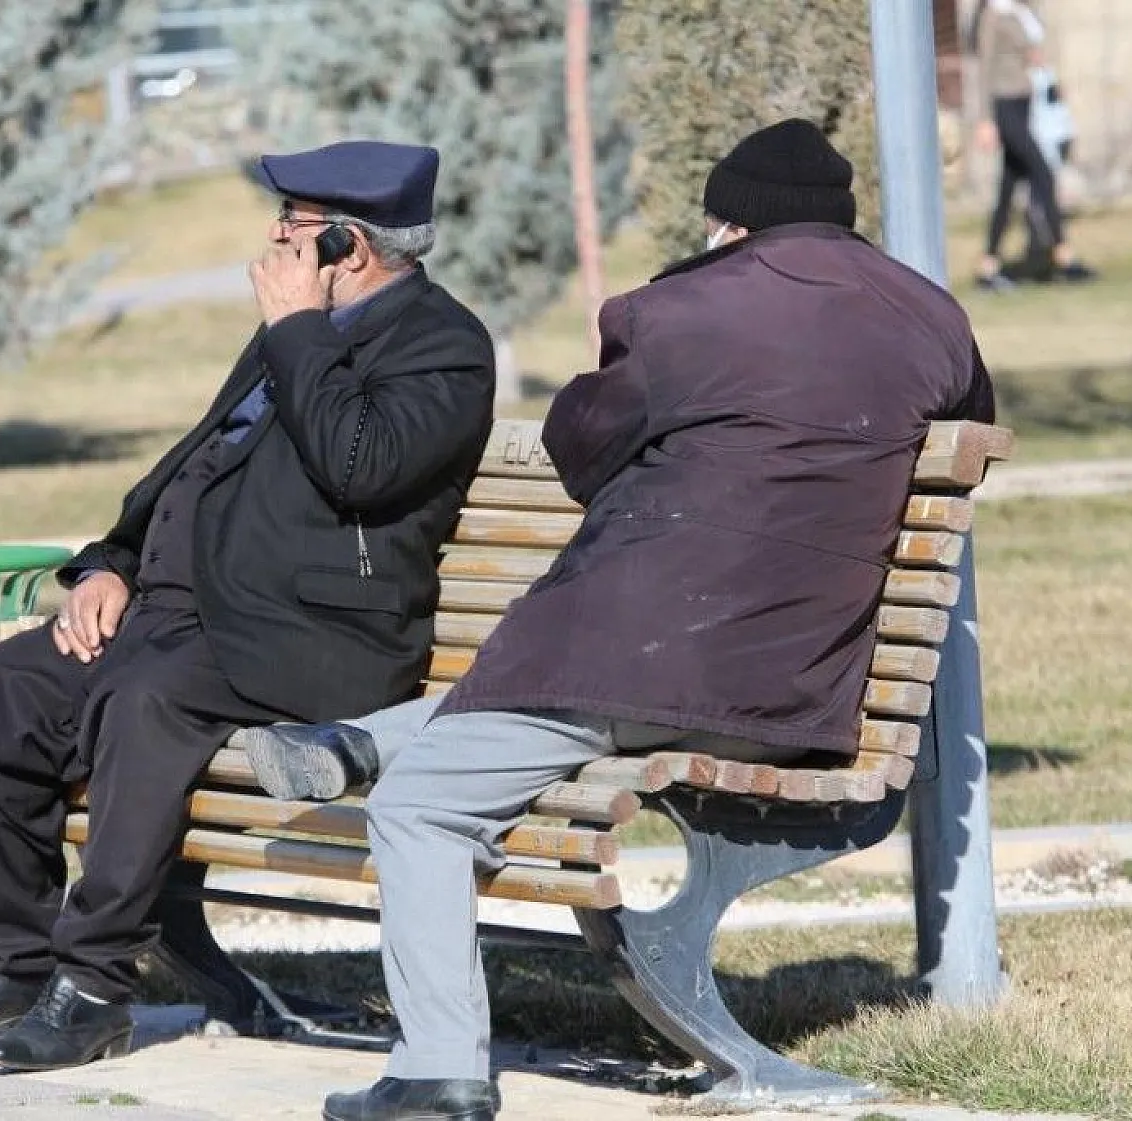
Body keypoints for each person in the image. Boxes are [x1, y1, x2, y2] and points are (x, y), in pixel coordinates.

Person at [236, 119, 997, 1121]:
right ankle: (359, 741)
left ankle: (434, 1069)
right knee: (517, 718)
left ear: (729, 225)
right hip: (796, 679)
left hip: (634, 666)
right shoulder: (932, 315)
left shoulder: (678, 309)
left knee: (420, 805)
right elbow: (964, 417)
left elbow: (578, 446)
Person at [0, 139, 497, 1074]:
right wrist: (111, 564)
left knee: (148, 704)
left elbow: (359, 467)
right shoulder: (293, 329)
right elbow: (196, 464)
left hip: (312, 637)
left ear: (348, 245)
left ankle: (92, 987)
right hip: (186, 615)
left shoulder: (443, 346)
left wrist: (297, 331)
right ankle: (8, 956)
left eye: (290, 229)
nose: (271, 244)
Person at [970, 0, 1094, 289]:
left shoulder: (1022, 11)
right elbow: (985, 67)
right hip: (1005, 104)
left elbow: (1035, 51)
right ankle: (1064, 256)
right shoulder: (993, 15)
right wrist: (986, 120)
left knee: (1008, 187)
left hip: (1028, 102)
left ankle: (987, 265)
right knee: (1043, 173)